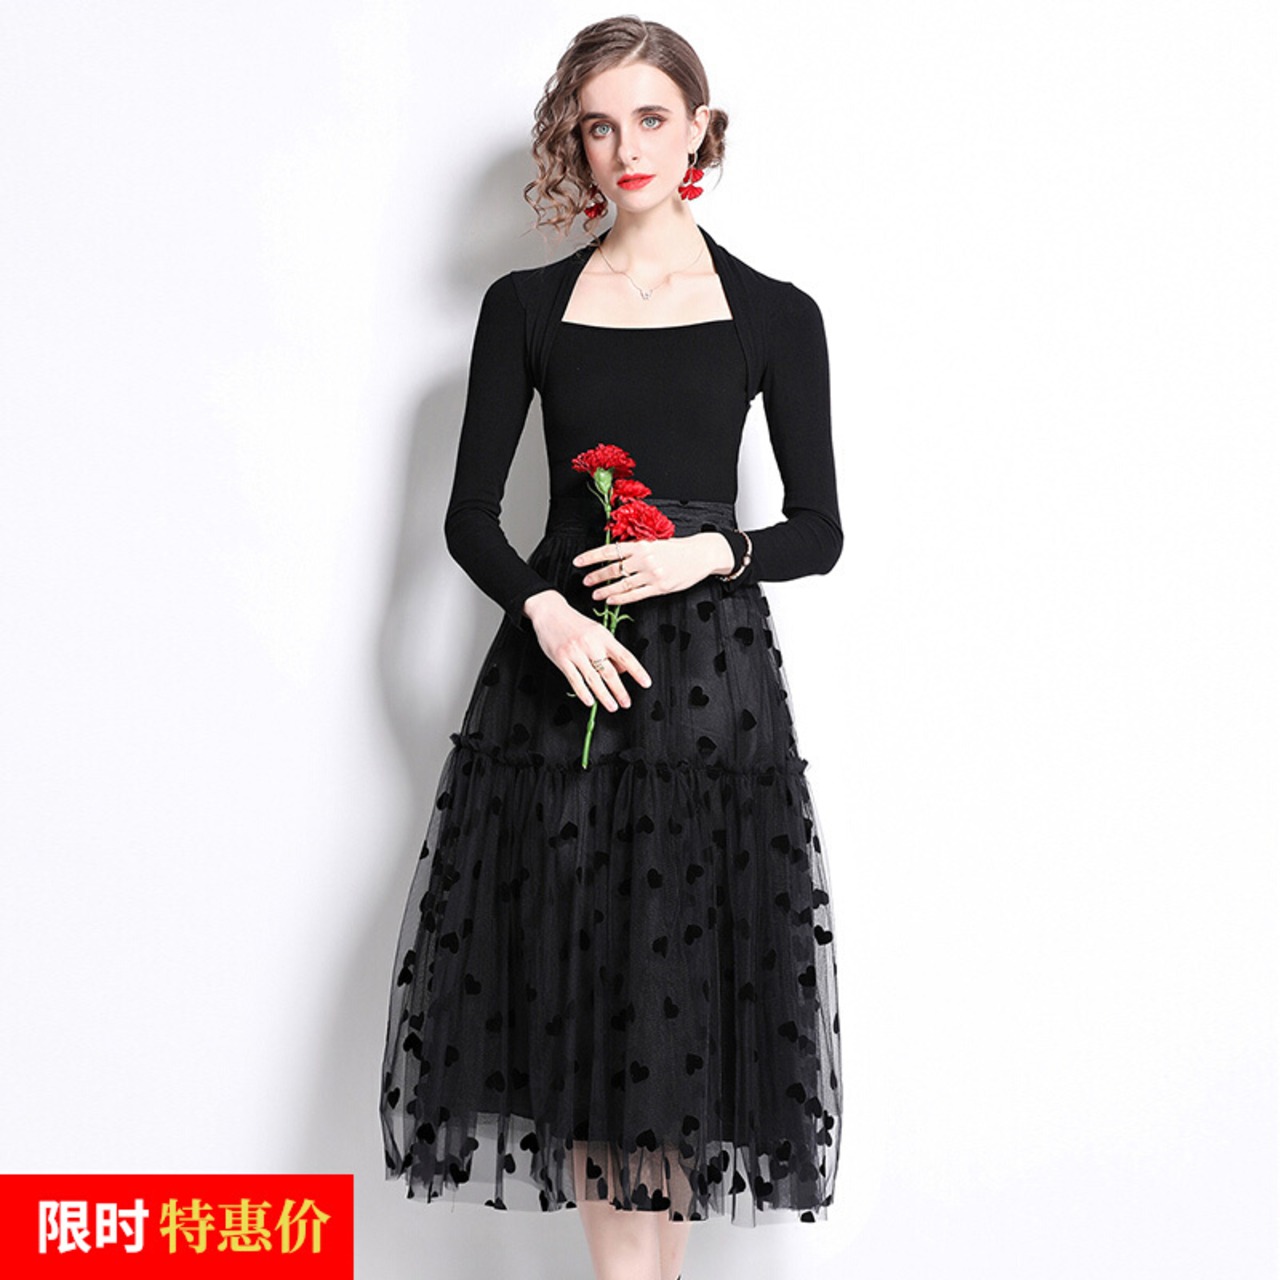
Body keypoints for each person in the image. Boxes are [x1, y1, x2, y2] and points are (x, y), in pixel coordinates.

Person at [380, 15, 844, 1279]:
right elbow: (470, 519)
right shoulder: (526, 305)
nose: (625, 146)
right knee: (584, 1003)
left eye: (649, 118)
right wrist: (543, 611)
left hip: (707, 700)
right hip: (557, 693)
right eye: (598, 124)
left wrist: (710, 552)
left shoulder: (773, 313)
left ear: (699, 128)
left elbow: (818, 530)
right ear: (574, 142)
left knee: (677, 1011)